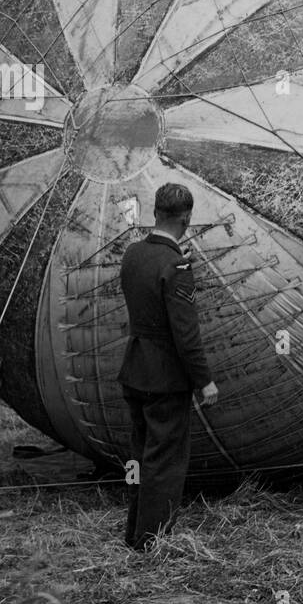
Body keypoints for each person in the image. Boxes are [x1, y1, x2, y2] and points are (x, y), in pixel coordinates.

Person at [117, 183, 220, 551]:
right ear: (187, 219)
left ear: (156, 213)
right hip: (165, 379)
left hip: (135, 370)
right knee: (165, 461)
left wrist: (176, 260)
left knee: (141, 455)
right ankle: (152, 539)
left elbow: (149, 280)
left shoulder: (133, 254)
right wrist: (204, 381)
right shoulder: (177, 266)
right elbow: (185, 334)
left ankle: (134, 531)